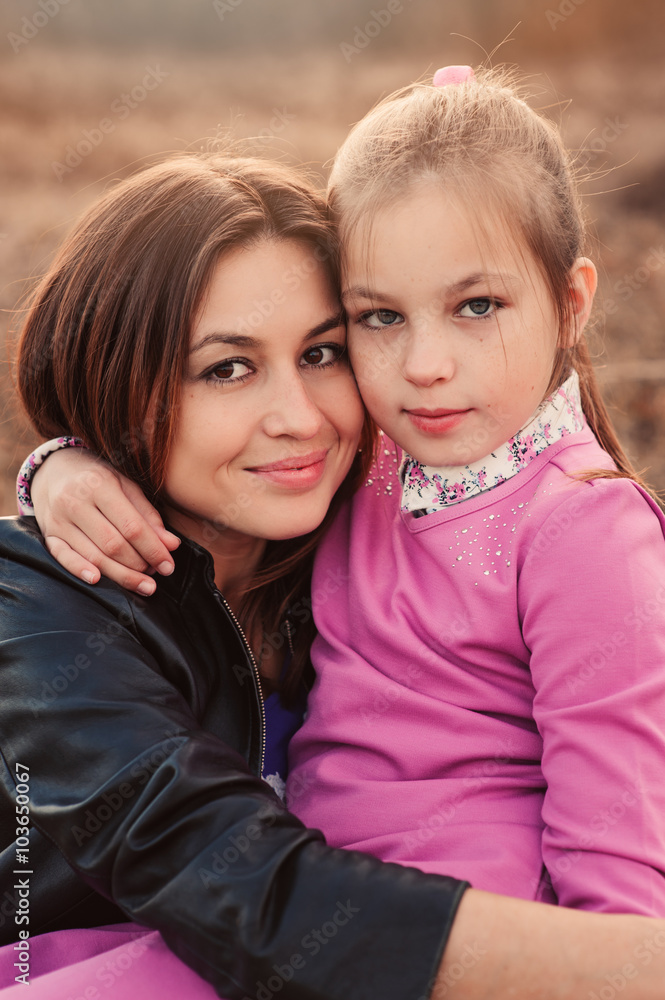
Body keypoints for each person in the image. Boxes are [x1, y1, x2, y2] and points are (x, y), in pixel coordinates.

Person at [10, 84, 665, 999]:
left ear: (567, 305)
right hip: (281, 927)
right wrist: (62, 464)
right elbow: (220, 873)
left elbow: (619, 845)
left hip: (452, 934)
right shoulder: (44, 605)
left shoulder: (522, 517)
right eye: (227, 367)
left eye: (321, 352)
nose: (300, 417)